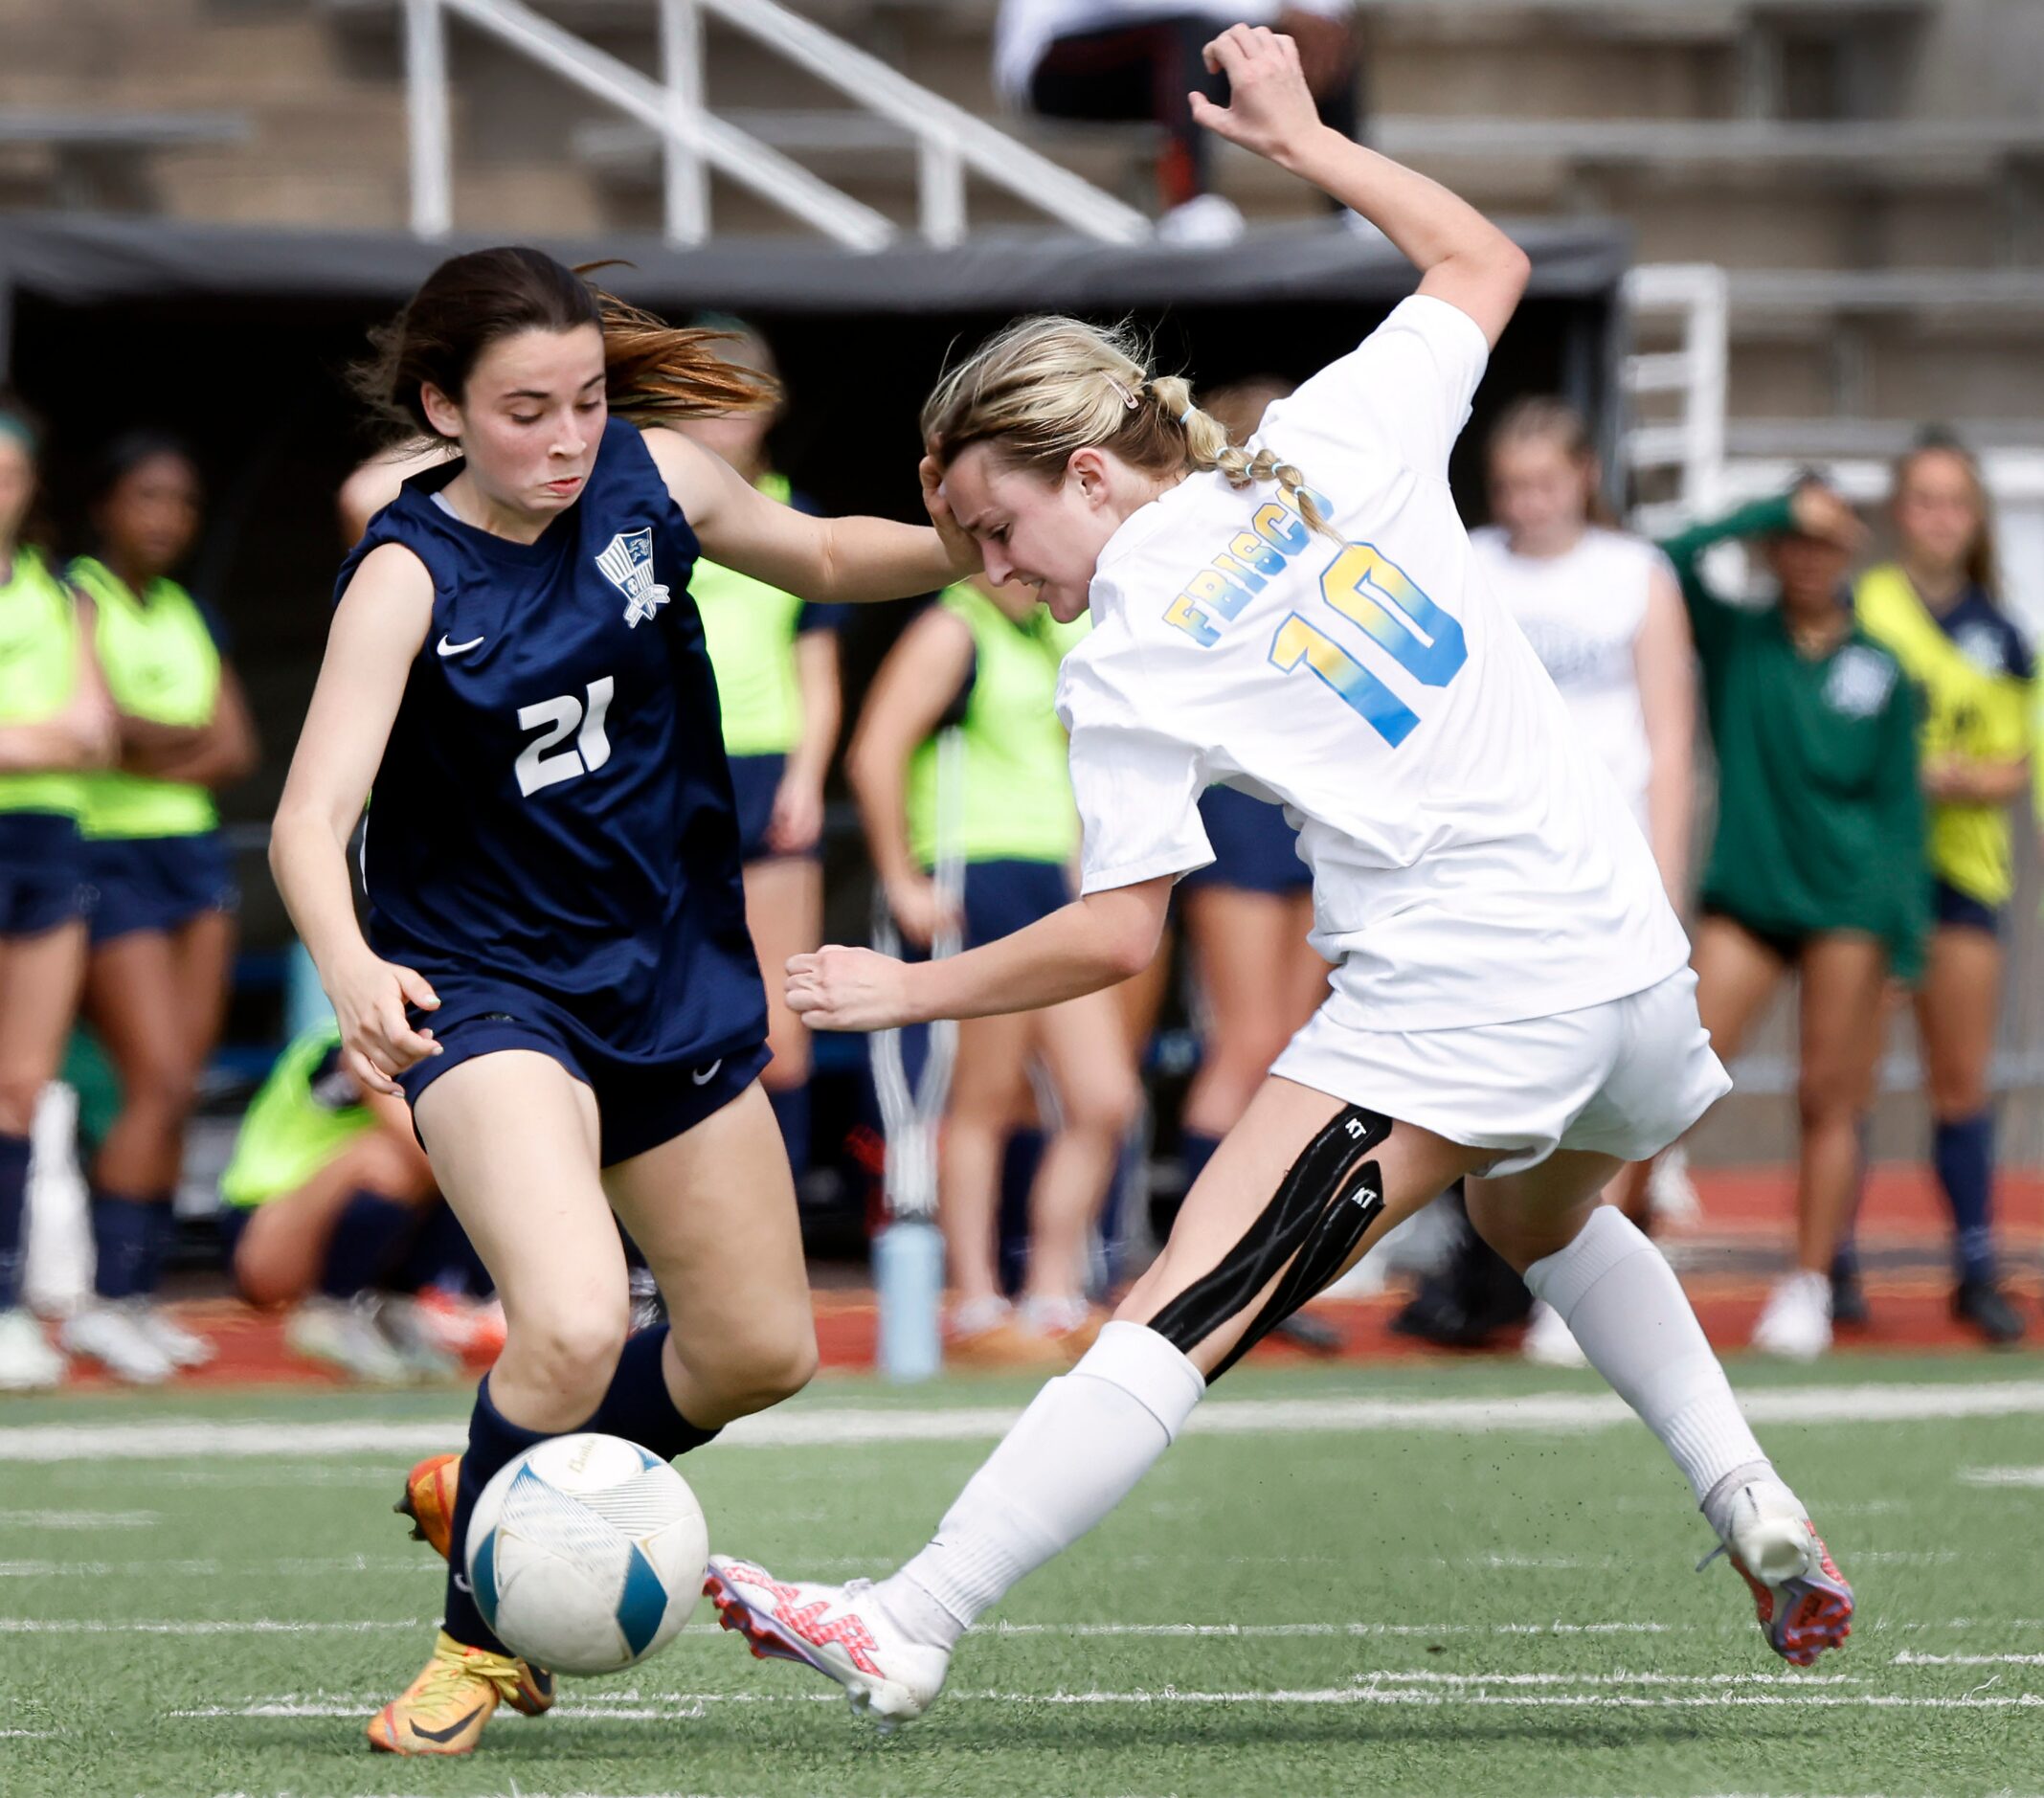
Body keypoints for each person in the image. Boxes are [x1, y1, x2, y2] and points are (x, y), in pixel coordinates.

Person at [701, 27, 1853, 1729]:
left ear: (1091, 470)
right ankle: (1747, 1486)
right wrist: (1306, 144)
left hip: (1470, 981)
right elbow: (1484, 259)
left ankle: (912, 1614)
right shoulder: (1338, 425)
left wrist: (908, 986)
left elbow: (1112, 935)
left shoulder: (1125, 647)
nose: (1005, 580)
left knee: (1187, 1294)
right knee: (1540, 1212)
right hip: (1623, 953)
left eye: (1003, 531)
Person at [268, 244, 973, 1756]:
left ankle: (496, 1477)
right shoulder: (408, 574)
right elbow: (307, 817)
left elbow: (835, 556)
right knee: (577, 1315)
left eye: (586, 400)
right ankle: (478, 1640)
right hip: (487, 986)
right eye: (527, 409)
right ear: (444, 407)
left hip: (667, 973)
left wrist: (988, 539)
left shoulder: (654, 484)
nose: (568, 436)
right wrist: (347, 964)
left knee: (756, 1349)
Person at [1663, 482, 1926, 1361]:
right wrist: (1770, 507)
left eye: (1826, 540)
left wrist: (1909, 942)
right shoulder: (1740, 642)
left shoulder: (1882, 667)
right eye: (1794, 542)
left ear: (1852, 547)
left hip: (1849, 906)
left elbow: (1899, 811)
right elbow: (1672, 556)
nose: (1808, 556)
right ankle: (1597, 1278)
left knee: (1829, 1096)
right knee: (1669, 1079)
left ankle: (1807, 1286)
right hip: (1747, 897)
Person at [848, 573, 1134, 1365]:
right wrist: (902, 876)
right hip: (972, 873)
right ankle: (974, 1305)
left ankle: (1049, 1294)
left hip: (1048, 880)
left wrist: (1085, 862)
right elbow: (875, 751)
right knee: (981, 1099)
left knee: (1102, 1098)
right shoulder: (952, 627)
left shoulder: (1049, 628)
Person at [1470, 396, 1697, 1366]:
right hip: (1503, 861)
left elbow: (1669, 736)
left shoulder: (1633, 576)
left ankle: (1580, 1288)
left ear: (1581, 478)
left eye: (1543, 482)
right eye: (1510, 485)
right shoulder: (1470, 565)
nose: (1526, 503)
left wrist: (1667, 870)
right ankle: (1521, 1273)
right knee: (1515, 1079)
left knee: (1603, 1081)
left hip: (1610, 864)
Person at [62, 435, 258, 1384]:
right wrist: (156, 737)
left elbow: (231, 747)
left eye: (181, 501)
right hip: (110, 855)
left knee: (182, 1079)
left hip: (192, 853)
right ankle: (107, 1298)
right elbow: (96, 738)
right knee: (153, 1081)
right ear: (104, 505)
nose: (166, 518)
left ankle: (136, 1299)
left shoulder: (189, 610)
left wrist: (155, 740)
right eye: (147, 497)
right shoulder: (77, 598)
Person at [1848, 431, 2033, 1343]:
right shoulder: (1866, 606)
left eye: (1953, 502)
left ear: (1974, 518)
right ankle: (1833, 1263)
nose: (1937, 518)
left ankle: (1973, 1264)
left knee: (1958, 1081)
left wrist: (1966, 777)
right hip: (1874, 872)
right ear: (1897, 512)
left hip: (1962, 873)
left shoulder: (2001, 633)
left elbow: (2014, 761)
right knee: (1846, 1078)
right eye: (1920, 499)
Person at [673, 324, 842, 1186]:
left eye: (735, 398)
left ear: (768, 406)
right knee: (672, 1002)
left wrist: (807, 779)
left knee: (783, 1025)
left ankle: (776, 1214)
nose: (719, 419)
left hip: (768, 773)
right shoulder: (650, 510)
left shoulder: (794, 514)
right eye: (700, 397)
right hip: (671, 776)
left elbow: (815, 666)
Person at [0, 397, 114, 1391]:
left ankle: (6, 1305)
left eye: (8, 474)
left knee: (22, 1087)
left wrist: (30, 739)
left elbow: (95, 733)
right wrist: (44, 737)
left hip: (46, 840)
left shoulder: (63, 592)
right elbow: (61, 731)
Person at [217, 1015, 485, 1384]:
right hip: (266, 1227)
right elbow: (425, 1147)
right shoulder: (367, 1032)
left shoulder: (462, 1035)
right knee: (402, 1160)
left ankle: (394, 1308)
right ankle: (332, 1310)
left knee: (462, 1159)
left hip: (334, 1218)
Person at [996, 0, 1360, 240]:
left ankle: (1356, 206)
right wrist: (1272, 11)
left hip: (1182, 53)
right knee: (1185, 34)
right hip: (1056, 63)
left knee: (1326, 39)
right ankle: (1188, 206)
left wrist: (1315, 18)